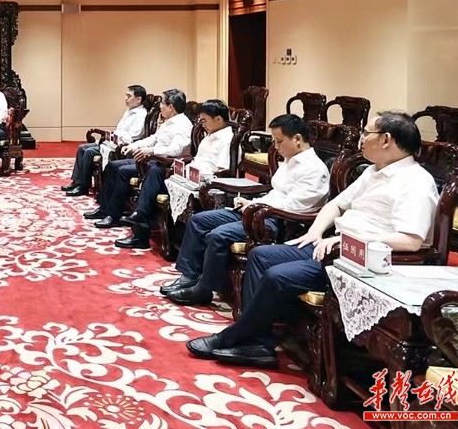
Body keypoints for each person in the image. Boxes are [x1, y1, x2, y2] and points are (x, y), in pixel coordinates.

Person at [187, 111, 437, 368]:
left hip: (361, 260)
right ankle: (258, 343)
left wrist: (347, 241)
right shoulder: (373, 172)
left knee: (277, 276)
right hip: (335, 246)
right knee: (260, 255)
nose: (361, 139)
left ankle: (235, 336)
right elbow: (335, 205)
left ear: (386, 139)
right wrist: (315, 232)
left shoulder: (415, 182)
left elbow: (410, 241)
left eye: (366, 133)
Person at [164, 113, 329, 305]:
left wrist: (256, 206)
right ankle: (189, 276)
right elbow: (276, 192)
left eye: (279, 141)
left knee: (219, 235)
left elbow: (297, 206)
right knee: (198, 221)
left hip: (277, 220)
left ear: (297, 139)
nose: (275, 147)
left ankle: (204, 288)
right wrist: (252, 202)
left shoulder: (314, 169)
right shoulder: (290, 159)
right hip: (260, 209)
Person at [116, 99, 235, 249]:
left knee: (154, 175)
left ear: (218, 119)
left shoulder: (227, 139)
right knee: (155, 173)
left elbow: (222, 171)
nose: (202, 125)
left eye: (205, 120)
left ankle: (140, 224)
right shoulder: (210, 134)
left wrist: (194, 173)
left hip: (204, 183)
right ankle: (141, 222)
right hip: (189, 177)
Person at [84, 89, 193, 229]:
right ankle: (105, 209)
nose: (160, 106)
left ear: (170, 107)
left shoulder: (182, 125)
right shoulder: (169, 122)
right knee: (113, 166)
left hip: (164, 165)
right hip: (152, 160)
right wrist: (133, 146)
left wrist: (151, 151)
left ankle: (114, 216)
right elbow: (153, 139)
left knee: (123, 171)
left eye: (162, 103)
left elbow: (175, 150)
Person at [61, 85, 149, 197]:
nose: (126, 98)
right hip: (114, 140)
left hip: (123, 145)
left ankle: (83, 187)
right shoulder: (129, 111)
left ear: (138, 99)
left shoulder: (141, 115)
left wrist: (114, 137)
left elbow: (134, 135)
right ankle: (77, 182)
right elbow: (120, 130)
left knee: (89, 152)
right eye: (126, 95)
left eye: (129, 96)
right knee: (82, 148)